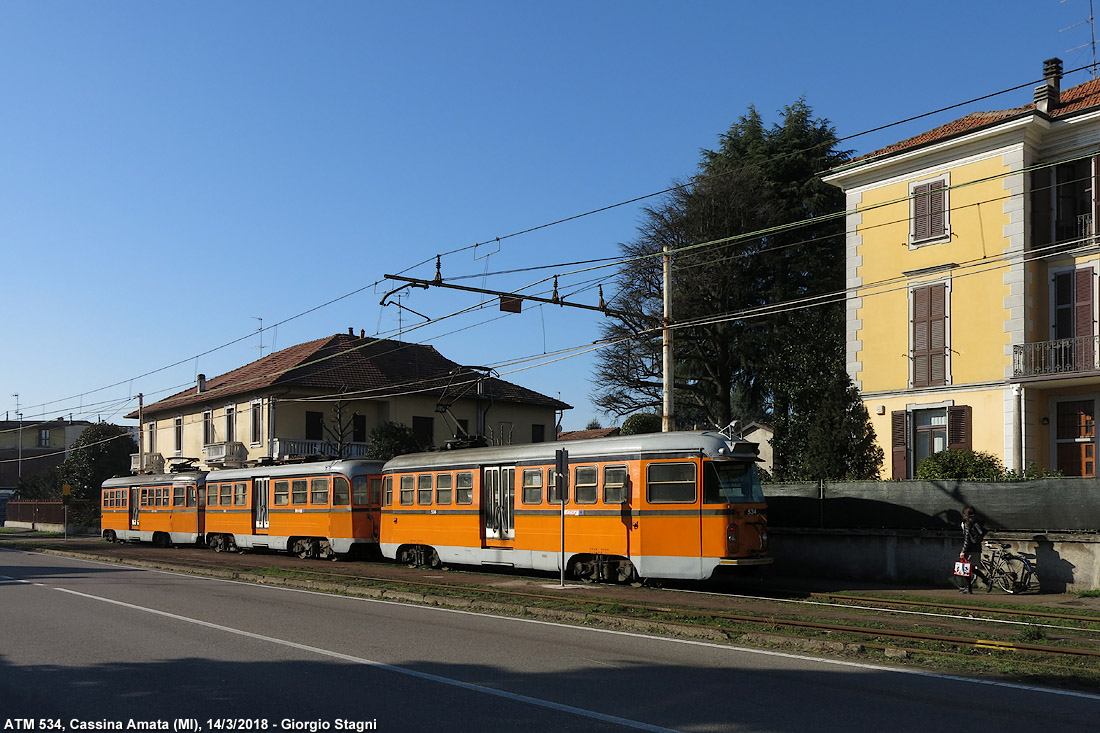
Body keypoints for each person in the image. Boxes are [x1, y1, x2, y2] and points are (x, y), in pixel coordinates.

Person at [958, 506, 987, 593]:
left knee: (966, 569)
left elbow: (967, 539)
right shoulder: (978, 521)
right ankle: (984, 580)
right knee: (971, 568)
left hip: (970, 549)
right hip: (977, 548)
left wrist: (963, 551)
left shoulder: (967, 523)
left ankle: (969, 588)